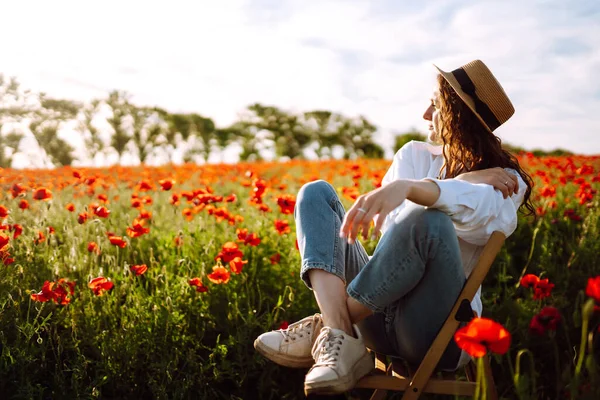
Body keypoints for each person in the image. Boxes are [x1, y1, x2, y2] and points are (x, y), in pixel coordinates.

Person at [254, 59, 535, 396]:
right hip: (374, 315)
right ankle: (339, 330)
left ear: (460, 116)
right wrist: (459, 180)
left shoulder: (507, 182)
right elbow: (391, 237)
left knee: (429, 220)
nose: (425, 114)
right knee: (316, 193)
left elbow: (464, 219)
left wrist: (411, 189)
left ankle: (325, 329)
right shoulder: (415, 155)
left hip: (435, 332)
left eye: (436, 104)